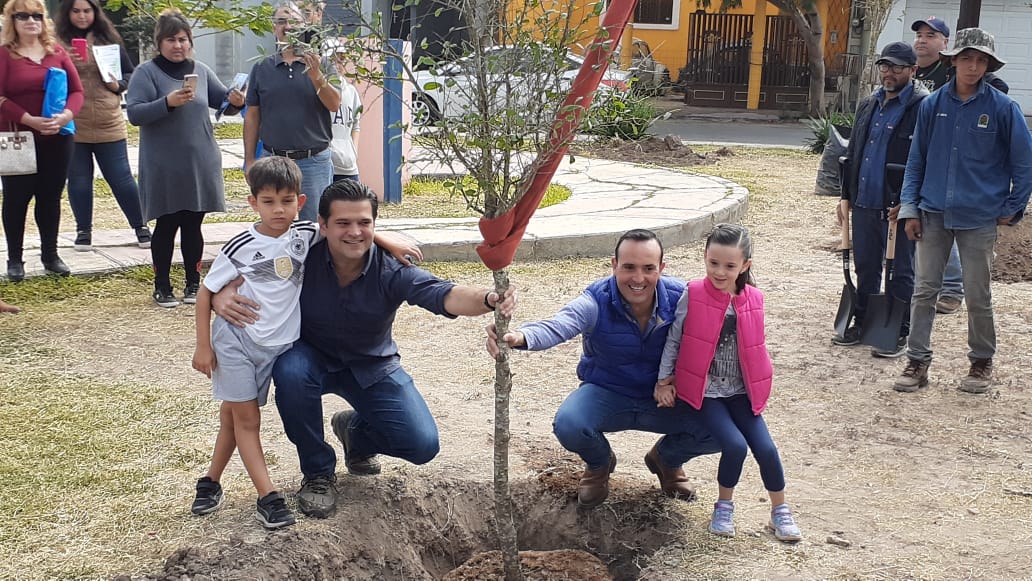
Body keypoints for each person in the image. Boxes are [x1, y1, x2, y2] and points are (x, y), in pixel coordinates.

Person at [212, 179, 513, 518]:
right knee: (291, 372)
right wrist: (219, 295)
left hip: (372, 365)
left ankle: (354, 433)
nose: (354, 232)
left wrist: (489, 298)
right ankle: (317, 474)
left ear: (375, 225)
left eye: (364, 223)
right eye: (343, 223)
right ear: (322, 226)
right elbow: (241, 265)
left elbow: (445, 294)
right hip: (310, 357)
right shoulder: (299, 256)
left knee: (422, 444)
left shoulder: (391, 268)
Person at [487, 229, 718, 509]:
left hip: (665, 399)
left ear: (662, 268)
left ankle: (667, 460)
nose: (638, 278)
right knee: (570, 424)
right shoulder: (595, 300)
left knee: (723, 430)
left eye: (648, 268)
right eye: (629, 267)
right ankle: (599, 464)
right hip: (608, 393)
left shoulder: (682, 298)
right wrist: (520, 337)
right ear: (614, 265)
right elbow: (560, 324)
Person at [894, 28, 1032, 395]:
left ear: (988, 65)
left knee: (977, 293)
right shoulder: (932, 106)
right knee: (924, 291)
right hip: (933, 212)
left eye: (981, 60)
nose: (973, 66)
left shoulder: (1003, 109)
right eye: (967, 58)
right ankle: (917, 360)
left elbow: (1024, 162)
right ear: (953, 61)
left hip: (979, 217)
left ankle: (981, 361)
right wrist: (910, 208)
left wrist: (1013, 206)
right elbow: (916, 161)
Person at [655, 224, 802, 543]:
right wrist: (664, 380)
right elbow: (674, 339)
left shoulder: (755, 299)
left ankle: (780, 511)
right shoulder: (693, 293)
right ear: (705, 258)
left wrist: (761, 384)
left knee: (766, 448)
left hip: (740, 391)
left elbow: (755, 348)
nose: (719, 272)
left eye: (730, 266)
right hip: (706, 391)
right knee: (734, 445)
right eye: (713, 263)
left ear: (745, 265)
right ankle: (724, 507)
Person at [190, 156, 311, 529]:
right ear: (253, 203)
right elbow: (205, 293)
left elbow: (346, 230)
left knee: (231, 416)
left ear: (300, 202)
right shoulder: (241, 244)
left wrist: (388, 240)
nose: (279, 209)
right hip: (237, 343)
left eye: (287, 201)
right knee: (247, 419)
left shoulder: (305, 234)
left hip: (277, 347)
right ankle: (268, 498)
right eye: (269, 201)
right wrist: (203, 346)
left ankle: (209, 482)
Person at [126, 9, 245, 308]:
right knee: (166, 225)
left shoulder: (200, 70)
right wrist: (167, 102)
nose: (178, 45)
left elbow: (220, 101)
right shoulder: (146, 72)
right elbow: (135, 113)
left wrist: (234, 102)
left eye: (183, 39)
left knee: (193, 224)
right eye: (171, 40)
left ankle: (194, 284)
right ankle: (162, 286)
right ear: (159, 43)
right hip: (163, 164)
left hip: (200, 161)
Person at [833, 42, 927, 358]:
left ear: (913, 70)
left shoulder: (920, 107)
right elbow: (854, 153)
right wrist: (845, 196)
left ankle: (900, 329)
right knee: (867, 265)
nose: (889, 73)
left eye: (897, 67)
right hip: (863, 201)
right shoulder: (869, 104)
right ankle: (864, 319)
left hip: (899, 206)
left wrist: (911, 202)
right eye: (885, 66)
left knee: (901, 269)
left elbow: (926, 159)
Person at [910, 16, 1009, 316]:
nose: (922, 40)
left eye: (931, 35)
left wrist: (1012, 204)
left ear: (945, 45)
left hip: (966, 186)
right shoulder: (915, 72)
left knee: (950, 226)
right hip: (926, 162)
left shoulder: (971, 82)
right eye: (919, 35)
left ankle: (953, 288)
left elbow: (997, 94)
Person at [55, 0, 150, 252]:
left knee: (121, 178)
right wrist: (65, 62)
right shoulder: (56, 43)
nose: (82, 16)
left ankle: (141, 226)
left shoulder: (108, 39)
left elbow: (130, 74)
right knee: (79, 180)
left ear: (95, 12)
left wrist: (116, 85)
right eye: (76, 11)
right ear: (67, 13)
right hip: (72, 121)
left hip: (108, 120)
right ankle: (83, 231)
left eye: (87, 10)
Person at [0, 0, 83, 281]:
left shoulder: (57, 52)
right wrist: (28, 119)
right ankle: (15, 258)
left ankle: (50, 254)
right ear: (11, 20)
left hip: (56, 136)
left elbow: (77, 91)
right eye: (22, 16)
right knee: (16, 199)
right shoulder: (4, 55)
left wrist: (65, 116)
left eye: (36, 15)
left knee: (50, 197)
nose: (30, 21)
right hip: (18, 136)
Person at [244, 1, 339, 222]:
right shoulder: (261, 67)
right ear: (273, 27)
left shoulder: (322, 64)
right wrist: (249, 160)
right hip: (273, 159)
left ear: (304, 25)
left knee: (314, 226)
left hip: (313, 161)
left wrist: (316, 75)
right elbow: (252, 116)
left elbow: (334, 104)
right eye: (281, 21)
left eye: (294, 22)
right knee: (274, 223)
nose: (287, 26)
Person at [328, 44, 361, 183]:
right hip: (325, 161)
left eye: (341, 60)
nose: (337, 65)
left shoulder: (351, 91)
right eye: (333, 60)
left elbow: (355, 125)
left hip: (348, 164)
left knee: (352, 199)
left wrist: (354, 152)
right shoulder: (317, 89)